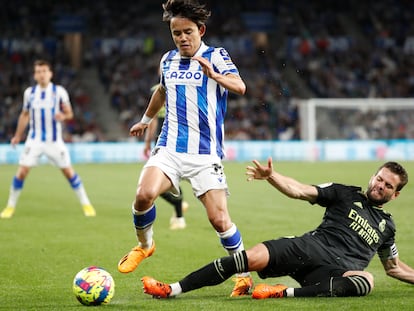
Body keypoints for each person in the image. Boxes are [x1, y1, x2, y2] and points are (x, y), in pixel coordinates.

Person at [117, 0, 252, 296]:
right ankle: (145, 245)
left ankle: (242, 275)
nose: (182, 38)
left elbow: (240, 86)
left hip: (206, 154)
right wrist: (145, 120)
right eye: (176, 33)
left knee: (219, 220)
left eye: (187, 32)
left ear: (200, 30)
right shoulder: (167, 60)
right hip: (170, 148)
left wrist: (215, 76)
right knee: (143, 195)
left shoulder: (216, 56)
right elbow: (162, 91)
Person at [140, 158, 414, 299]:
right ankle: (172, 289)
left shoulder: (387, 227)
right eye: (379, 179)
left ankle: (282, 292)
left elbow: (394, 267)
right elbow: (299, 190)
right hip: (309, 247)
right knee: (248, 258)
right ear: (373, 176)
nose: (380, 186)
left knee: (366, 281)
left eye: (388, 185)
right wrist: (272, 177)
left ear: (395, 194)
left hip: (335, 272)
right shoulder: (344, 193)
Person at [0, 59, 96, 219]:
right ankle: (10, 207)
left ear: (50, 73)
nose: (42, 74)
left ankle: (86, 203)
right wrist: (17, 136)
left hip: (54, 141)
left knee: (68, 172)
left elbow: (70, 114)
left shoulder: (59, 92)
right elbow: (24, 115)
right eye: (38, 71)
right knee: (22, 171)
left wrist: (63, 115)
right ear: (35, 75)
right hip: (34, 140)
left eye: (44, 71)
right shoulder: (29, 93)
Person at [144, 86, 189, 230]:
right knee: (166, 179)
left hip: (171, 139)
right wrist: (148, 141)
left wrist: (148, 141)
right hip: (167, 139)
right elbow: (154, 118)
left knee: (160, 182)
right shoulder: (166, 88)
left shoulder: (176, 86)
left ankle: (179, 214)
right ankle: (179, 213)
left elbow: (154, 119)